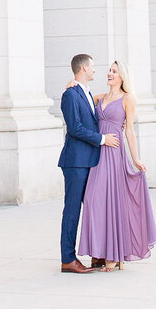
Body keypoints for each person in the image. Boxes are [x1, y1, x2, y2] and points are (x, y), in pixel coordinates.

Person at [77, 60, 156, 271]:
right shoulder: (100, 98)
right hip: (98, 153)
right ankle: (103, 252)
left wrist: (136, 159)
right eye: (109, 71)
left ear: (122, 76)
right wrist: (72, 83)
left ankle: (113, 256)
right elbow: (82, 94)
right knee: (93, 199)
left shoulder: (128, 99)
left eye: (114, 71)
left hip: (114, 153)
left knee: (112, 201)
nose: (110, 74)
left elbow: (129, 130)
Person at [57, 53, 120, 274]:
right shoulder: (70, 94)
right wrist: (103, 140)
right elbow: (75, 128)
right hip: (75, 162)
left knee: (95, 207)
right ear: (83, 68)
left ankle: (97, 254)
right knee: (72, 211)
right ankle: (68, 259)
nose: (95, 70)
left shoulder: (85, 92)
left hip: (90, 161)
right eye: (92, 66)